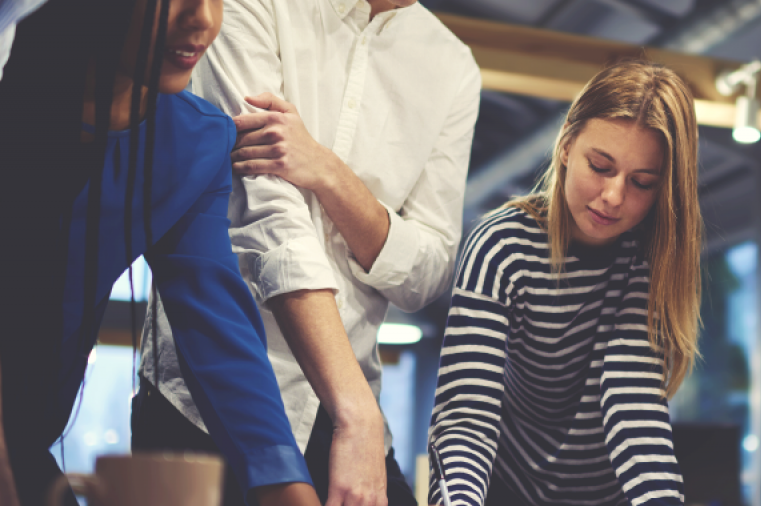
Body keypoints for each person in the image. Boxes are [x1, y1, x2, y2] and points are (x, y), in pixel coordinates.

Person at [132, 0, 480, 505]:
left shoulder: (453, 64)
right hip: (205, 398)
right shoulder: (251, 5)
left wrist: (329, 173)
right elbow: (262, 212)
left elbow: (426, 276)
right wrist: (355, 410)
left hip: (344, 410)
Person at [0, 1, 320, 505]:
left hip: (22, 440)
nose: (203, 20)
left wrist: (289, 489)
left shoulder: (193, 141)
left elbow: (218, 332)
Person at [427, 60, 702, 506]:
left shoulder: (648, 259)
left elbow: (633, 408)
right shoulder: (502, 245)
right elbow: (467, 417)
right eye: (600, 166)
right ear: (567, 146)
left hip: (609, 493)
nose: (613, 197)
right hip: (506, 487)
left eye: (642, 182)